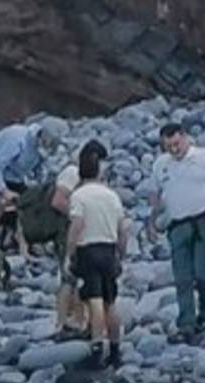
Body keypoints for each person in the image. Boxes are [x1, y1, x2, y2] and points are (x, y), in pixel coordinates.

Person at [147, 123, 205, 343]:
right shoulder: (161, 165)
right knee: (182, 278)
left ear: (185, 138)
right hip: (177, 225)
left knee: (203, 274)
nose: (174, 150)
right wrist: (151, 222)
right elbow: (156, 197)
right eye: (168, 146)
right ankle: (186, 324)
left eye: (177, 144)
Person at [66, 143, 132, 369]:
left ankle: (97, 347)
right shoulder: (112, 196)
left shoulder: (79, 196)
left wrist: (70, 253)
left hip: (89, 250)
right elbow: (123, 229)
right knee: (110, 301)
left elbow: (77, 225)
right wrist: (121, 254)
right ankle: (115, 349)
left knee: (94, 301)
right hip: (109, 249)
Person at [0, 118, 67, 252]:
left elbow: (39, 168)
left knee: (25, 204)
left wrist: (41, 187)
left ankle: (7, 238)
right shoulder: (18, 140)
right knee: (0, 204)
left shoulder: (45, 148)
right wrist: (3, 190)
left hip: (16, 174)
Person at [49, 140, 108, 341]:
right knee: (68, 278)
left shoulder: (91, 180)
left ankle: (78, 320)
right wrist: (79, 215)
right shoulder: (71, 173)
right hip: (68, 230)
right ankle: (61, 321)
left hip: (86, 233)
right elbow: (57, 201)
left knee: (82, 279)